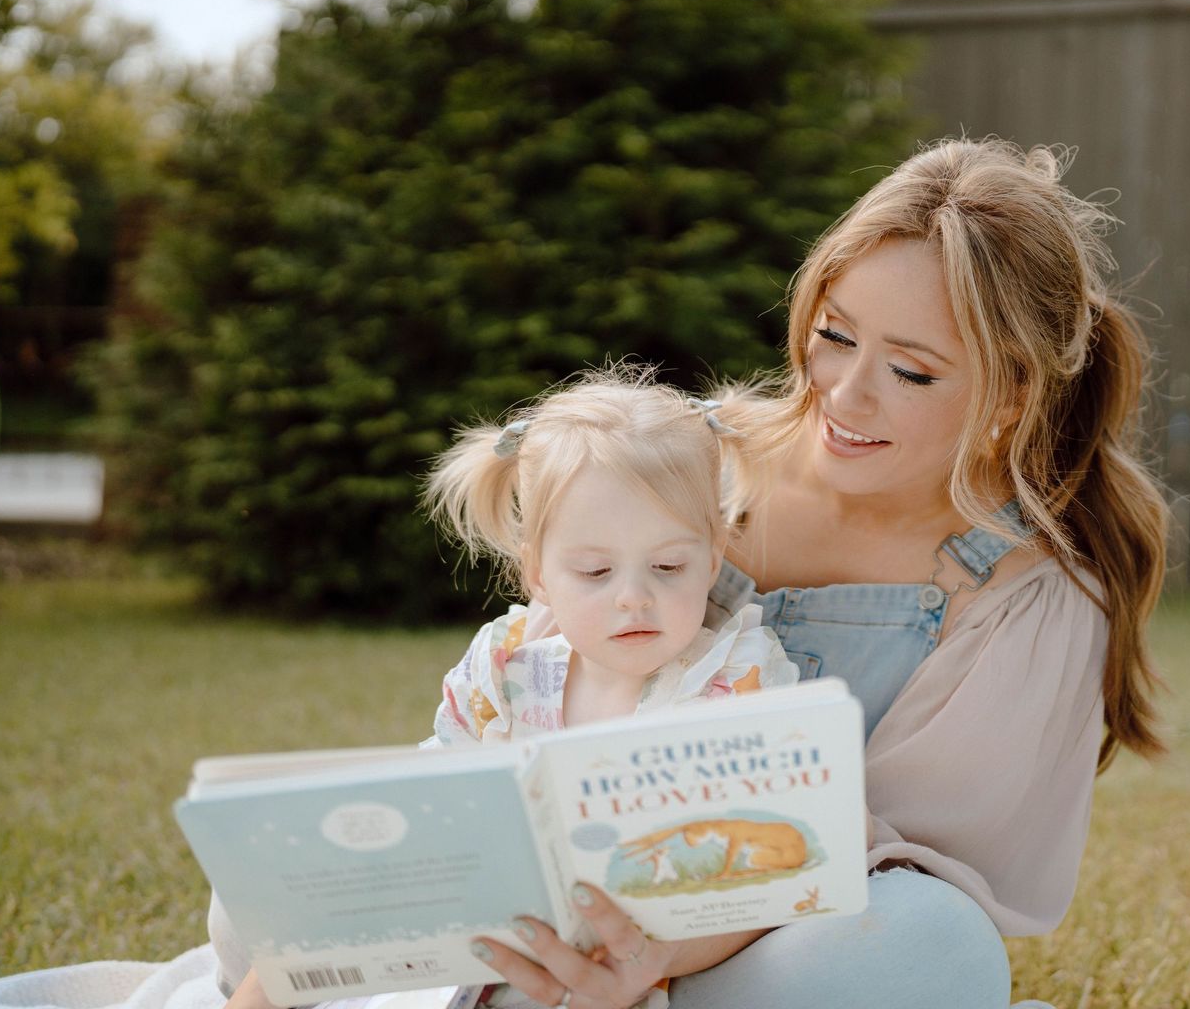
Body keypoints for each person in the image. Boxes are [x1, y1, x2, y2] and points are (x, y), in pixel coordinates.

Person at [470, 138, 1168, 1009]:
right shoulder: (689, 461)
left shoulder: (1028, 594)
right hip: (571, 899)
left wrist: (664, 950)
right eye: (834, 336)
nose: (842, 394)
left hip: (772, 943)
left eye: (911, 370)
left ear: (1014, 395)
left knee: (930, 945)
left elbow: (889, 875)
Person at [210, 371, 800, 1009]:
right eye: (595, 571)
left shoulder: (735, 676)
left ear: (712, 559)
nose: (634, 596)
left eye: (668, 567)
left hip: (610, 970)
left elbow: (761, 882)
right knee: (254, 910)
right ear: (538, 574)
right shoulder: (507, 662)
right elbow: (436, 786)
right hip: (470, 922)